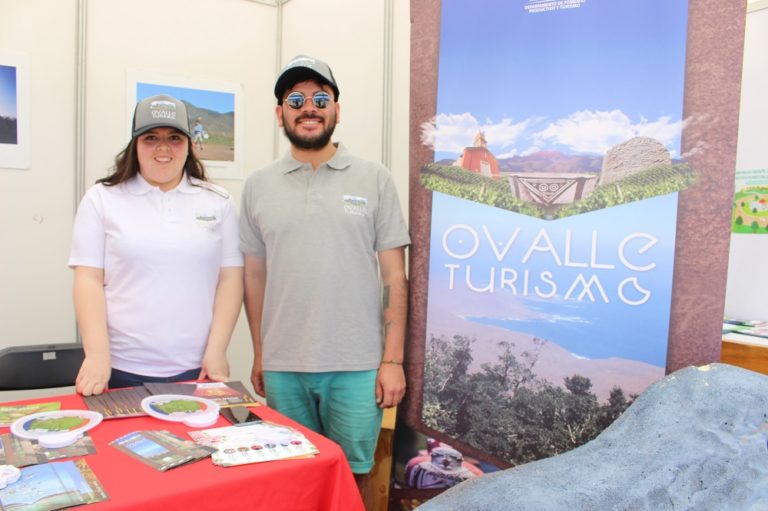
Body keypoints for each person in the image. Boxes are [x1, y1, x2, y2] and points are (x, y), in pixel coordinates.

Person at [239, 55, 410, 509]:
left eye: (320, 98)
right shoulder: (257, 186)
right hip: (284, 365)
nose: (307, 107)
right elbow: (254, 277)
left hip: (356, 366)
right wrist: (260, 351)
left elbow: (395, 275)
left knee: (351, 481)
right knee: (291, 480)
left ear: (336, 109)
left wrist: (392, 360)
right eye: (295, 99)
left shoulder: (375, 179)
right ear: (280, 113)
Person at [69, 94, 244, 396]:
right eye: (151, 138)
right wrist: (97, 355)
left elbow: (230, 279)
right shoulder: (102, 198)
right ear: (135, 144)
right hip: (121, 369)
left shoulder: (218, 202)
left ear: (190, 145)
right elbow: (88, 279)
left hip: (198, 369)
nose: (163, 148)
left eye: (174, 138)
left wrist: (218, 349)